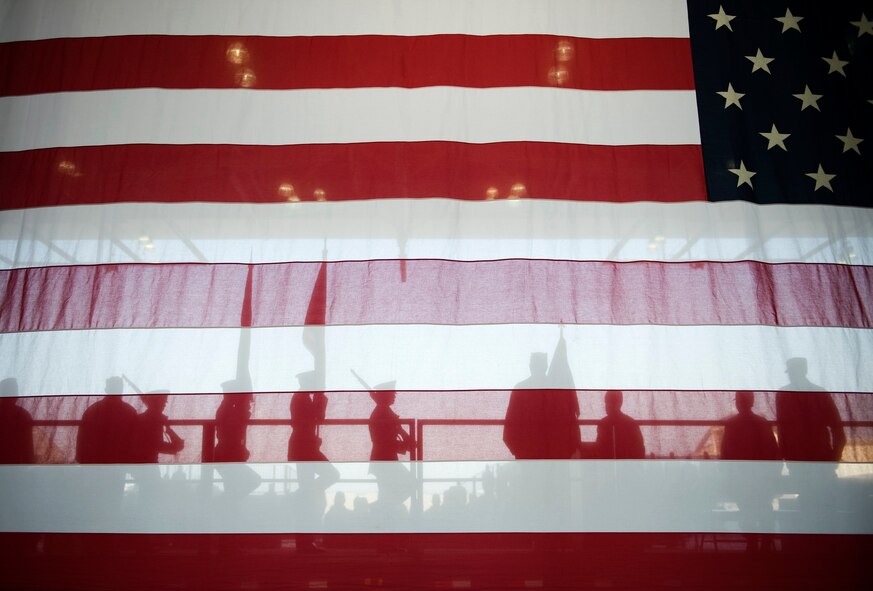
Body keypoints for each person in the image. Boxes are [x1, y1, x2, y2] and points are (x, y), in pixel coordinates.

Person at [720, 391, 781, 552]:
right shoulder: (762, 423)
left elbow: (726, 453)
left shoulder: (731, 425)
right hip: (762, 478)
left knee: (746, 510)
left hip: (742, 478)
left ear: (738, 403)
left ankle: (752, 541)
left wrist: (730, 476)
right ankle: (766, 542)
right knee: (764, 509)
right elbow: (773, 452)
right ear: (751, 402)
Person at [289, 371, 339, 553]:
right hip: (305, 447)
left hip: (305, 446)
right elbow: (317, 418)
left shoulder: (301, 397)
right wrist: (322, 400)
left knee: (309, 493)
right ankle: (304, 543)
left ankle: (304, 542)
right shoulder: (302, 398)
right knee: (330, 476)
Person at [776, 358, 845, 462]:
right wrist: (835, 454)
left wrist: (784, 454)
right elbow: (837, 427)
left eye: (793, 372)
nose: (791, 376)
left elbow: (782, 427)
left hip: (798, 454)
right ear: (805, 370)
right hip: (820, 453)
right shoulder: (820, 393)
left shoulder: (783, 394)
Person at [368, 381, 415, 518]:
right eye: (392, 394)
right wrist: (406, 444)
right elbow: (384, 441)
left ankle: (380, 509)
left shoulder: (382, 411)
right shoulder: (382, 413)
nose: (395, 396)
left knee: (386, 493)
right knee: (409, 484)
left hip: (383, 459)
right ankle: (380, 509)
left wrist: (405, 441)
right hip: (384, 459)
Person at [76, 376, 138, 464]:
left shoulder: (93, 410)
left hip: (94, 461)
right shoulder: (129, 411)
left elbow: (82, 439)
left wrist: (82, 458)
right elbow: (133, 440)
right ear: (122, 390)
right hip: (119, 462)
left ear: (106, 389)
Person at [594, 390, 645, 459]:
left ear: (619, 404)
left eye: (610, 402)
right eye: (607, 402)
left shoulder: (603, 424)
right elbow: (640, 452)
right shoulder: (632, 423)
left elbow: (600, 450)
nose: (607, 406)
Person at [0, 378, 34, 464]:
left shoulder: (23, 415)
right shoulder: (24, 415)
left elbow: (28, 449)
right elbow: (28, 450)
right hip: (16, 465)